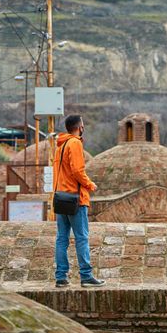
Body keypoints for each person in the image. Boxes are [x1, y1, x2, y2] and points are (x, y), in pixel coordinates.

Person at [53, 114, 105, 287]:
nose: (84, 127)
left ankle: (61, 277)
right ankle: (86, 276)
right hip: (75, 199)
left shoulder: (60, 146)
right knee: (82, 237)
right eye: (83, 124)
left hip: (60, 198)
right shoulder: (75, 143)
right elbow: (77, 170)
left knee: (62, 239)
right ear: (79, 127)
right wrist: (90, 185)